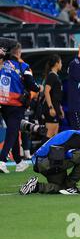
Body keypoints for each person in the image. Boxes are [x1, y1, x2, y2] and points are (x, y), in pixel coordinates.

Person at [0, 41, 41, 174]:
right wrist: (38, 88)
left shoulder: (3, 64)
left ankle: (19, 162)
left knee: (14, 129)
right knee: (12, 132)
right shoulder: (24, 66)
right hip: (16, 104)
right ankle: (1, 160)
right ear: (18, 52)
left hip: (3, 102)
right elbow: (31, 84)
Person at [42, 55, 63, 142]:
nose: (61, 64)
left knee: (55, 134)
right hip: (51, 108)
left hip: (56, 107)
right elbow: (46, 91)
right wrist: (51, 107)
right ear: (56, 64)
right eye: (60, 62)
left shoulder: (56, 76)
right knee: (49, 135)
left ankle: (52, 155)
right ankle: (43, 155)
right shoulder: (51, 76)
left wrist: (60, 108)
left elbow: (57, 95)